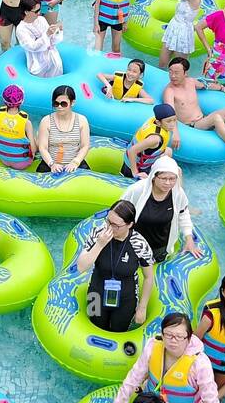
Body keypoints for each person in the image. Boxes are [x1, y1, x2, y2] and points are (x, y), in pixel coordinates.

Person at [75, 199, 155, 333]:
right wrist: (99, 244)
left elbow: (149, 277)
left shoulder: (139, 244)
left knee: (119, 330)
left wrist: (142, 307)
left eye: (115, 225)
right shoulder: (98, 234)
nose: (109, 228)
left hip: (126, 297)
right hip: (96, 293)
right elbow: (81, 267)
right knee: (95, 327)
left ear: (130, 225)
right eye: (108, 221)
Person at [164, 56, 225, 157]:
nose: (173, 76)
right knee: (216, 118)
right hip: (191, 125)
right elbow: (170, 113)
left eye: (176, 73)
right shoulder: (169, 91)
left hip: (203, 119)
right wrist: (175, 133)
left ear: (185, 73)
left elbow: (206, 86)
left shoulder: (191, 82)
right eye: (170, 72)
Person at [34, 85, 91, 174]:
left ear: (72, 103)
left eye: (63, 104)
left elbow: (85, 145)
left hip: (75, 163)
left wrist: (75, 162)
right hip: (50, 163)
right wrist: (52, 164)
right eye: (56, 104)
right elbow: (43, 147)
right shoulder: (46, 121)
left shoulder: (81, 120)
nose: (59, 107)